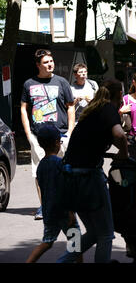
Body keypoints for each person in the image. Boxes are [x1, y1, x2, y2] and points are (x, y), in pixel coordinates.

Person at [57, 78, 129, 263]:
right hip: (89, 177)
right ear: (119, 94)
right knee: (106, 234)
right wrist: (124, 153)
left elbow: (102, 136)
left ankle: (62, 261)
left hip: (70, 176)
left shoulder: (92, 110)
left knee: (95, 232)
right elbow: (119, 135)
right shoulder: (109, 109)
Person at [21, 49, 75, 220]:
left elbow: (71, 107)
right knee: (39, 173)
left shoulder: (62, 82)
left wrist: (70, 132)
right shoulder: (29, 84)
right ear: (38, 65)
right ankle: (44, 206)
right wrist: (28, 134)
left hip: (60, 135)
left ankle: (63, 204)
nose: (50, 64)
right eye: (45, 62)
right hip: (38, 137)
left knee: (63, 171)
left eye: (51, 61)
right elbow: (23, 108)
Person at [26, 123, 82, 263]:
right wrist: (70, 211)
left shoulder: (41, 166)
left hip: (49, 212)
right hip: (64, 212)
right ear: (57, 143)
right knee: (76, 242)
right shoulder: (60, 163)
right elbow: (65, 189)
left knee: (47, 242)